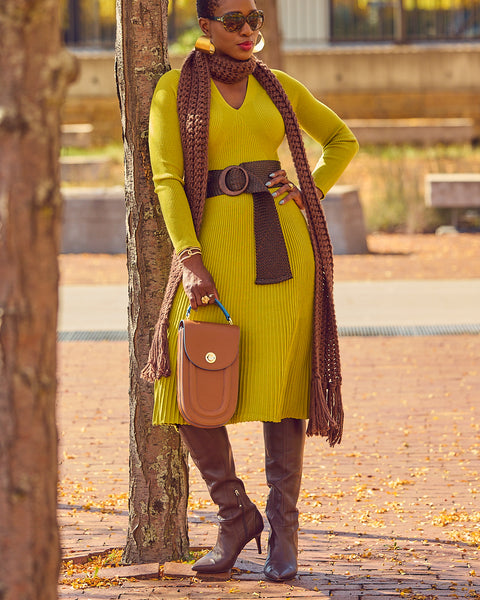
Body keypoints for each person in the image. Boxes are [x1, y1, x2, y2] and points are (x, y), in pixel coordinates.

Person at [142, 0, 359, 582]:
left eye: (256, 20)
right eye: (234, 19)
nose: (247, 31)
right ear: (205, 24)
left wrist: (306, 189)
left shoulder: (279, 86)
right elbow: (167, 179)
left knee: (284, 387)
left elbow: (341, 139)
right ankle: (235, 514)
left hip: (286, 250)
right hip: (212, 251)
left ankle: (285, 532)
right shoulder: (173, 90)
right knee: (183, 388)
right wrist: (189, 258)